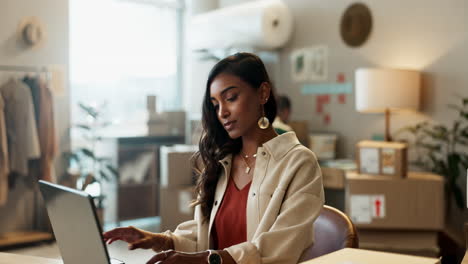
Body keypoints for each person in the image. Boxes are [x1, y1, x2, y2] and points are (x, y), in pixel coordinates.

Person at [103, 53, 324, 264]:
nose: (222, 112)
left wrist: (206, 260)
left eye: (231, 98)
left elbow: (278, 250)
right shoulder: (223, 162)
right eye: (216, 104)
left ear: (263, 93)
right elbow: (206, 239)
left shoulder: (299, 163)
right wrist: (162, 240)